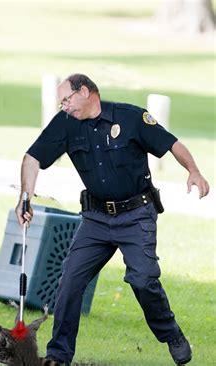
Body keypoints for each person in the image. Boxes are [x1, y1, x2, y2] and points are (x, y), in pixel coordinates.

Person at [15, 73, 209, 365]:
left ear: (85, 91)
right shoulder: (65, 123)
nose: (63, 106)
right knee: (69, 283)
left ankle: (171, 334)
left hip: (136, 216)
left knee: (143, 280)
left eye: (66, 99)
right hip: (95, 220)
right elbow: (32, 158)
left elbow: (172, 144)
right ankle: (58, 356)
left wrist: (193, 171)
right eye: (61, 102)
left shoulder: (130, 117)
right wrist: (25, 197)